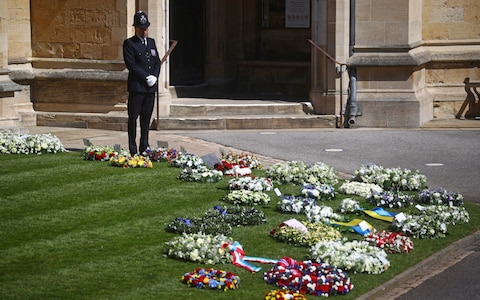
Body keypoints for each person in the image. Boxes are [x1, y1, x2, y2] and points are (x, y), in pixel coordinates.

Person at [123, 11, 161, 156]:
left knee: (146, 119)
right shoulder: (129, 43)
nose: (144, 31)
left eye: (145, 28)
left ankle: (144, 146)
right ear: (136, 28)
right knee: (133, 118)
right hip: (137, 88)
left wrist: (155, 77)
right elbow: (131, 65)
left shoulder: (151, 42)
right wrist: (146, 77)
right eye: (141, 28)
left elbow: (157, 62)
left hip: (150, 89)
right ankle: (132, 148)